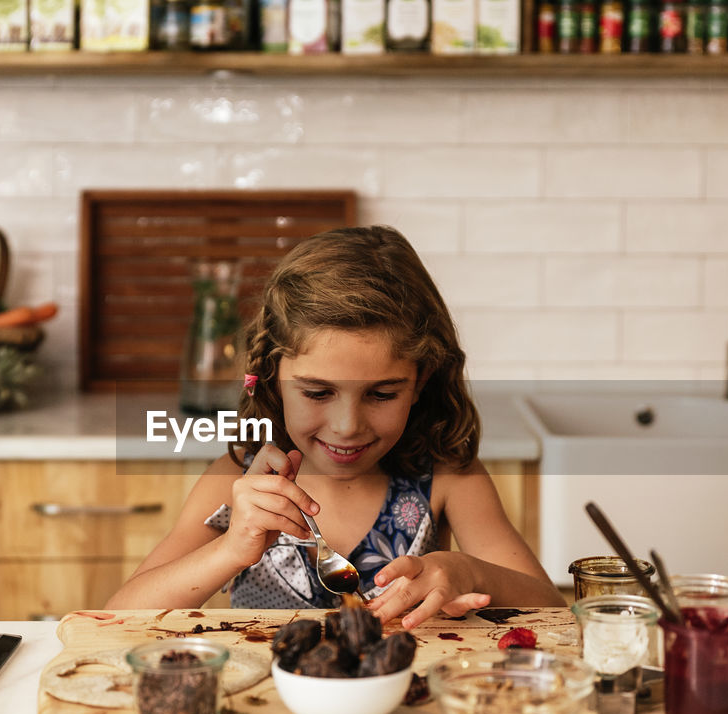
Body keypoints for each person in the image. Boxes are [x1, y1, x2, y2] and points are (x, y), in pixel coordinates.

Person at [106, 225, 564, 627]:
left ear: (420, 380)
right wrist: (230, 550)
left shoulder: (448, 476)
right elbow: (116, 618)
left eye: (382, 394)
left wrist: (471, 572)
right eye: (318, 393)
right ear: (272, 376)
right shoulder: (239, 481)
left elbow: (554, 614)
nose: (347, 426)